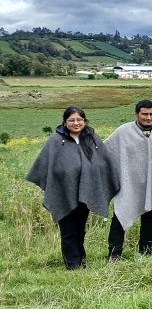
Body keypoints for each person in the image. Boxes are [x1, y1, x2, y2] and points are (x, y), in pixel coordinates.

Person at [26, 106, 119, 269]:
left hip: (86, 192)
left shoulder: (91, 138)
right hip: (63, 193)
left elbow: (103, 162)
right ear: (65, 122)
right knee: (68, 231)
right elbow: (45, 166)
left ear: (84, 121)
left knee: (80, 229)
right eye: (72, 120)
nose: (76, 123)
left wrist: (99, 178)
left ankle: (81, 259)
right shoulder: (56, 141)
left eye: (79, 119)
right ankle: (72, 264)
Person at [105, 99, 152, 259]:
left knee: (150, 218)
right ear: (137, 114)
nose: (148, 118)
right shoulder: (123, 132)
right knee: (121, 215)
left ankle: (145, 248)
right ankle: (114, 253)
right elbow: (106, 150)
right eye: (144, 114)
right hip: (129, 184)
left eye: (151, 114)